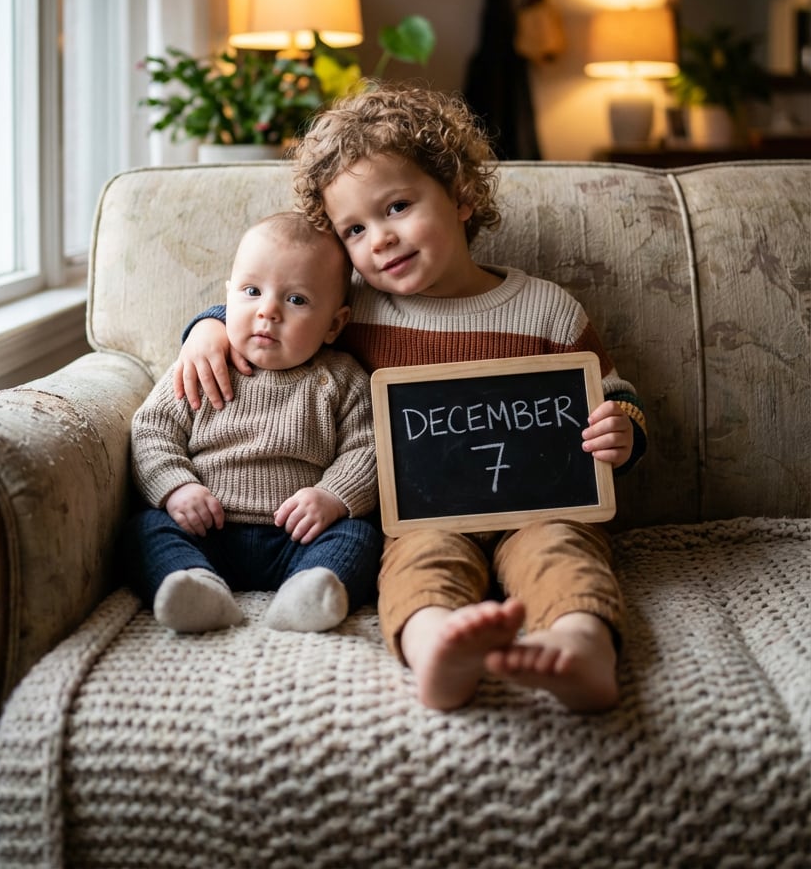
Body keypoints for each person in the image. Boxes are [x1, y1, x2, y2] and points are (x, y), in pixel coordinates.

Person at [173, 86, 647, 712]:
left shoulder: (547, 309)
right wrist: (206, 325)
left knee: (564, 555)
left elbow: (611, 394)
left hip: (541, 506)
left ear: (461, 194)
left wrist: (624, 430)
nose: (380, 240)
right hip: (424, 517)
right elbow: (279, 314)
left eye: (397, 206)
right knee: (416, 571)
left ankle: (581, 648)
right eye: (354, 229)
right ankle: (438, 653)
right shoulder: (359, 313)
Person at [122, 211, 381, 636]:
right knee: (144, 531)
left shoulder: (342, 378)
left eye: (296, 300)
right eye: (251, 291)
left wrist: (333, 496)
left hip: (298, 536)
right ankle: (195, 587)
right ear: (228, 299)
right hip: (206, 528)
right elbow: (153, 429)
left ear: (334, 324)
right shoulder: (204, 365)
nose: (268, 312)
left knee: (358, 536)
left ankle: (308, 592)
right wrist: (176, 487)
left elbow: (368, 448)